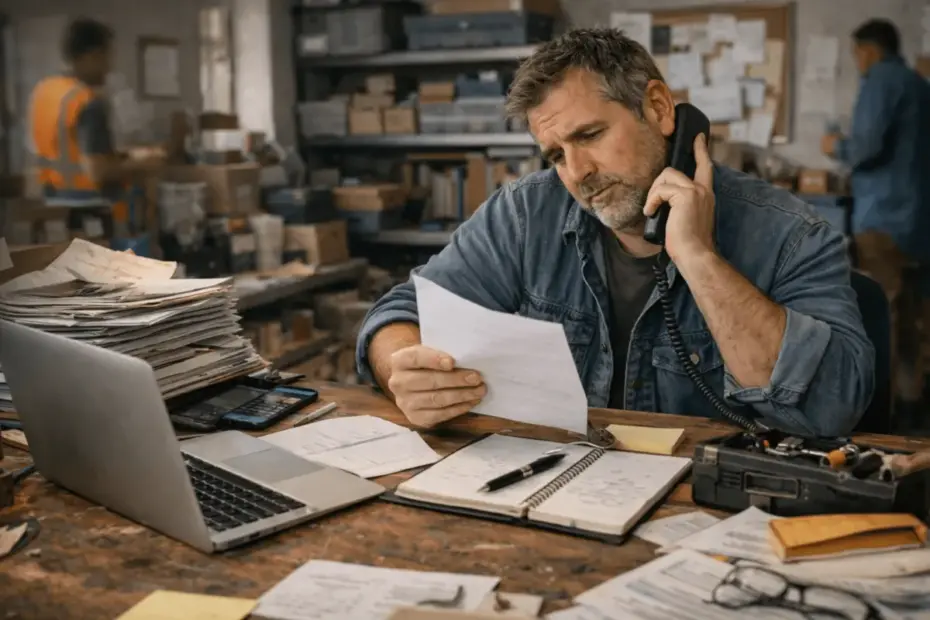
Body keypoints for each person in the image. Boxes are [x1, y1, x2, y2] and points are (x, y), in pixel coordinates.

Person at [356, 28, 874, 438]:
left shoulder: (791, 234)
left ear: (658, 108)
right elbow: (401, 311)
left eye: (590, 135)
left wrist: (697, 257)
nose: (577, 172)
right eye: (557, 155)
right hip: (565, 493)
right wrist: (400, 365)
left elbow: (833, 409)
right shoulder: (525, 213)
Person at [822, 19, 930, 412]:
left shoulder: (881, 81)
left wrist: (836, 146)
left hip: (885, 218)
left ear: (867, 50)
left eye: (856, 54)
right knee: (914, 316)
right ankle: (913, 399)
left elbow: (866, 147)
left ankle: (884, 410)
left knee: (882, 311)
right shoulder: (919, 84)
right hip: (920, 223)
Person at [27, 18, 164, 216]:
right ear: (92, 56)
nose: (109, 68)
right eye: (106, 57)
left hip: (51, 201)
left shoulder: (44, 92)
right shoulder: (87, 101)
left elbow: (65, 148)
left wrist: (121, 155)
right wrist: (144, 164)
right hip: (88, 206)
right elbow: (99, 172)